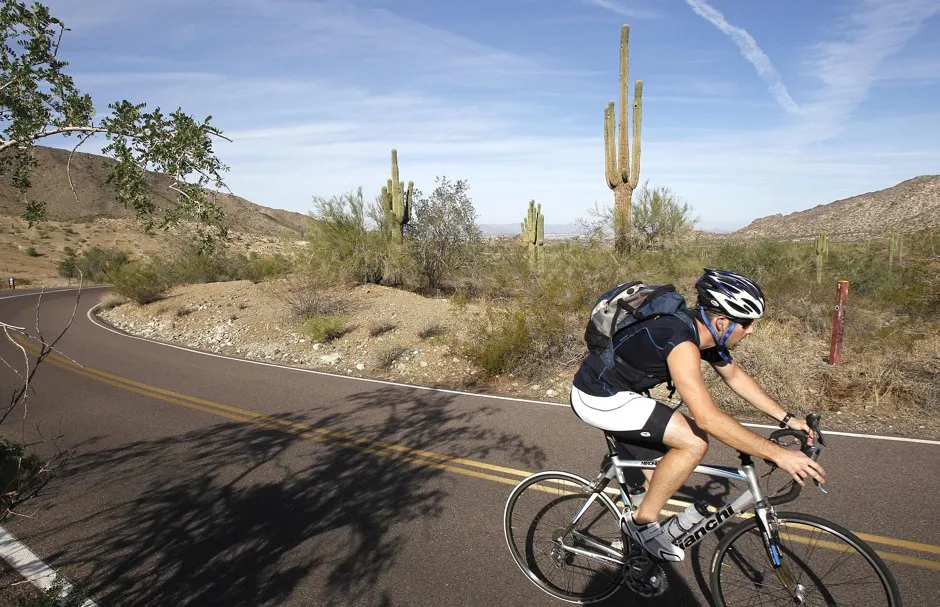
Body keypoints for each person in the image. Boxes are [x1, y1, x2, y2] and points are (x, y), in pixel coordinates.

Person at [569, 268, 826, 562]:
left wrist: (788, 419)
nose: (752, 330)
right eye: (747, 323)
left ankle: (637, 554)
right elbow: (707, 417)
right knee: (694, 441)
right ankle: (640, 525)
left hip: (626, 395)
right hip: (597, 396)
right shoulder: (680, 341)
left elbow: (735, 377)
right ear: (722, 321)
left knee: (662, 478)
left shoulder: (705, 334)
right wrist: (777, 453)